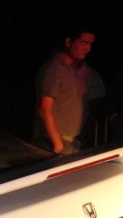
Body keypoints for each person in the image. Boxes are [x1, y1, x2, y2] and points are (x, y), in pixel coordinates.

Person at [33, 24, 95, 154]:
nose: (88, 48)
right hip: (53, 143)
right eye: (84, 43)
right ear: (68, 42)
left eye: (90, 44)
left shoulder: (69, 68)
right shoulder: (55, 68)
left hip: (67, 141)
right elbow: (44, 109)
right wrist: (57, 144)